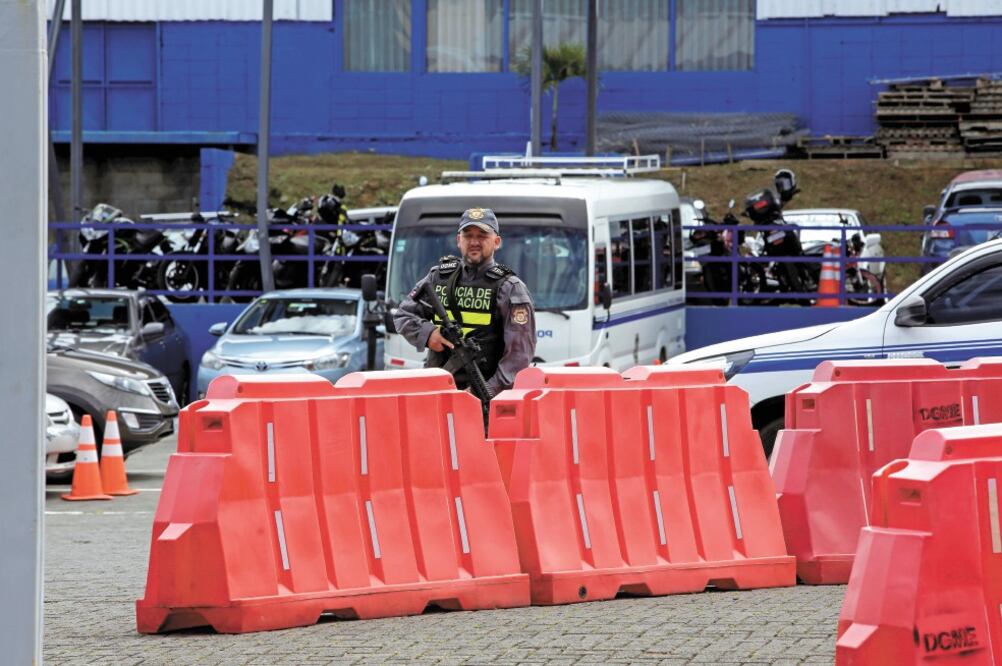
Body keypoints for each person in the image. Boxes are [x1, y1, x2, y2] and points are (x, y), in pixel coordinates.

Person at [393, 207, 535, 397]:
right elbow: (403, 315)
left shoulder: (510, 288)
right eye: (468, 235)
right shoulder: (438, 277)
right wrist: (428, 335)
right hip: (438, 394)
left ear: (497, 242)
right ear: (459, 240)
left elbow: (518, 359)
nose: (474, 242)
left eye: (482, 236)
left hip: (485, 401)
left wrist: (481, 394)